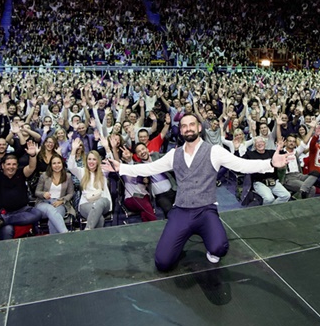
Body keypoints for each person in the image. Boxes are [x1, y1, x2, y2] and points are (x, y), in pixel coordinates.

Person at [104, 113, 292, 272]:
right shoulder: (174, 154)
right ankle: (182, 236)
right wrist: (121, 168)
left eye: (191, 124)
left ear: (199, 128)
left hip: (206, 210)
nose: (188, 128)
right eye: (184, 126)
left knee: (219, 248)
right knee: (163, 263)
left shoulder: (214, 151)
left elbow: (242, 165)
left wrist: (270, 163)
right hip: (181, 211)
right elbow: (149, 169)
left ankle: (209, 241)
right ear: (181, 130)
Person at [0, 138, 42, 240]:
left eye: (14, 164)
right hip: (3, 211)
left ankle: (2, 220)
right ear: (3, 166)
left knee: (37, 214)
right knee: (8, 230)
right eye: (8, 164)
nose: (11, 167)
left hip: (21, 210)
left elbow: (31, 167)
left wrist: (32, 155)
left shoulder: (20, 173)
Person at [68, 138, 112, 230]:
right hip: (86, 204)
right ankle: (96, 242)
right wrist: (73, 150)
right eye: (89, 159)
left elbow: (111, 163)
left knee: (99, 203)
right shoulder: (82, 172)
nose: (91, 162)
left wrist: (107, 148)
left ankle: (87, 230)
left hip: (103, 203)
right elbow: (71, 166)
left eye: (94, 159)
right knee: (99, 218)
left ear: (98, 161)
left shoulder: (104, 171)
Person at [33, 153, 73, 234]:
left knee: (53, 220)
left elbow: (70, 193)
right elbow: (37, 192)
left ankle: (54, 242)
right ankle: (66, 233)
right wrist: (43, 194)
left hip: (59, 203)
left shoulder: (67, 176)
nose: (56, 165)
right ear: (50, 165)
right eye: (54, 163)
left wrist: (62, 201)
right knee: (50, 209)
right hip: (43, 203)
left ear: (62, 164)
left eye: (59, 163)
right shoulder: (44, 175)